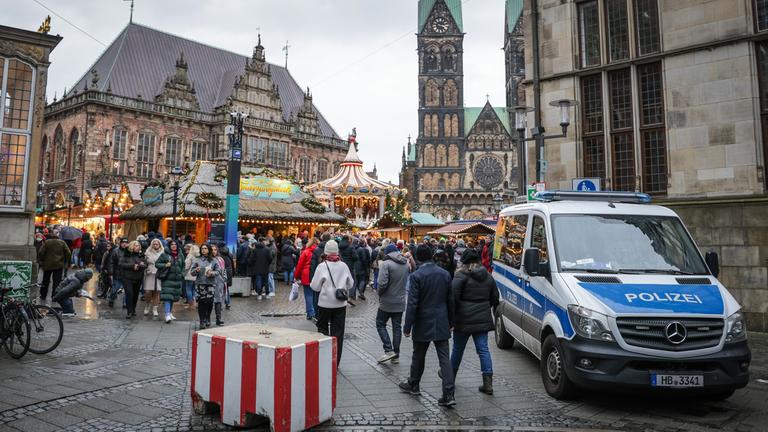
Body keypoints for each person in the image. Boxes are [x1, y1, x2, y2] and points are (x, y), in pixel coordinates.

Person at [399, 244, 456, 407]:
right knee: (444, 358)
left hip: (423, 321)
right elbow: (450, 301)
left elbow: (412, 304)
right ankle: (449, 393)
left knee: (418, 355)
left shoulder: (417, 276)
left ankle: (414, 384)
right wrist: (452, 322)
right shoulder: (444, 274)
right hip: (441, 320)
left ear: (418, 257)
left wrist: (407, 326)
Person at [449, 249, 500, 396]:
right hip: (482, 319)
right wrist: (484, 307)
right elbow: (495, 297)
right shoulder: (488, 277)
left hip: (462, 319)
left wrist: (452, 318)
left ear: (464, 262)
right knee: (483, 350)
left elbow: (453, 298)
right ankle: (488, 384)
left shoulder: (460, 276)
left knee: (458, 349)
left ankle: (450, 379)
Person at [310, 240, 353, 365]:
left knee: (322, 330)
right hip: (340, 305)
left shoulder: (322, 266)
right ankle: (335, 362)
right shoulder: (343, 266)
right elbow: (350, 284)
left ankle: (323, 360)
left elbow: (315, 287)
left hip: (324, 304)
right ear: (337, 252)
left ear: (326, 252)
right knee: (338, 334)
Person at [376, 243, 409, 364]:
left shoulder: (386, 264)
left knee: (380, 324)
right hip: (400, 301)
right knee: (397, 327)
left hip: (387, 301)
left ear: (387, 253)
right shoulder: (405, 264)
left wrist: (380, 294)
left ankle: (388, 349)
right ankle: (396, 355)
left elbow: (382, 283)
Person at [37, 229, 71, 305]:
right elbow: (68, 253)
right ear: (58, 235)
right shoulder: (62, 243)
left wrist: (41, 261)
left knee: (45, 280)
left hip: (47, 264)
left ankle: (43, 295)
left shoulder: (47, 242)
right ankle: (54, 295)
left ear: (52, 235)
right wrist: (66, 262)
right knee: (57, 282)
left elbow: (41, 252)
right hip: (58, 265)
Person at [191, 244, 219, 328]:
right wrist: (196, 270)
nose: (203, 250)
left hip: (210, 284)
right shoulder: (197, 260)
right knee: (201, 302)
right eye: (202, 248)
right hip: (200, 284)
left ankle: (208, 317)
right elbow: (192, 273)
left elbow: (218, 272)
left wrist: (212, 273)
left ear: (209, 250)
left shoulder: (214, 260)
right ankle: (202, 321)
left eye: (205, 248)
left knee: (209, 302)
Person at [156, 240, 185, 323]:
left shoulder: (180, 255)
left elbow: (183, 265)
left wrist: (182, 274)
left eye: (175, 244)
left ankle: (170, 313)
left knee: (173, 297)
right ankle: (167, 314)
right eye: (172, 244)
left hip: (177, 279)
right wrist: (165, 265)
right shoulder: (164, 254)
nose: (174, 246)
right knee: (167, 297)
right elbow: (157, 264)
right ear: (169, 245)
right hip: (167, 279)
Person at [119, 240, 147, 318]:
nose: (138, 247)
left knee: (135, 295)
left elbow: (145, 265)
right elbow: (121, 264)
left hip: (138, 277)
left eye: (138, 245)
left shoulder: (141, 255)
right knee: (129, 293)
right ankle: (129, 311)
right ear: (132, 246)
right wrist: (132, 266)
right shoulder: (126, 254)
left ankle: (133, 309)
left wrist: (140, 265)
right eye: (136, 245)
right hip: (127, 278)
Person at [295, 237, 317, 320]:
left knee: (308, 294)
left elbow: (299, 265)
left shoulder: (306, 252)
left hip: (306, 275)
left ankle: (310, 312)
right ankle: (315, 311)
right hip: (316, 274)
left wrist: (296, 276)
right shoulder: (318, 252)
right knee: (315, 294)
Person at [143, 238, 164, 317]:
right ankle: (147, 305)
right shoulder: (147, 252)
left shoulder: (163, 253)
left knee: (157, 292)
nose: (155, 245)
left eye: (157, 244)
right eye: (154, 244)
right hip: (149, 273)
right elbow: (145, 262)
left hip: (159, 274)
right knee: (148, 291)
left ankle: (155, 308)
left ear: (159, 245)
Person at [107, 238, 129, 308]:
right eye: (123, 243)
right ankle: (111, 299)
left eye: (126, 243)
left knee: (127, 290)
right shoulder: (115, 251)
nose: (124, 244)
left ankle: (125, 303)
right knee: (115, 289)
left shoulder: (129, 251)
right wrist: (110, 273)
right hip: (117, 273)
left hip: (127, 274)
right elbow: (111, 262)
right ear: (120, 243)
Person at [210, 245, 227, 326]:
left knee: (219, 300)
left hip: (220, 282)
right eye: (212, 250)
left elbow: (224, 270)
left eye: (215, 249)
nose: (213, 251)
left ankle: (218, 319)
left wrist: (224, 279)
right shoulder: (209, 260)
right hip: (210, 282)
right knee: (209, 301)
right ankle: (207, 319)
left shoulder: (220, 259)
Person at [217, 242, 234, 309]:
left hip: (222, 273)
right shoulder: (229, 253)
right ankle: (228, 303)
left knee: (220, 288)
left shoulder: (219, 255)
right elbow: (232, 265)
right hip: (229, 272)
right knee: (226, 289)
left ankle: (219, 303)